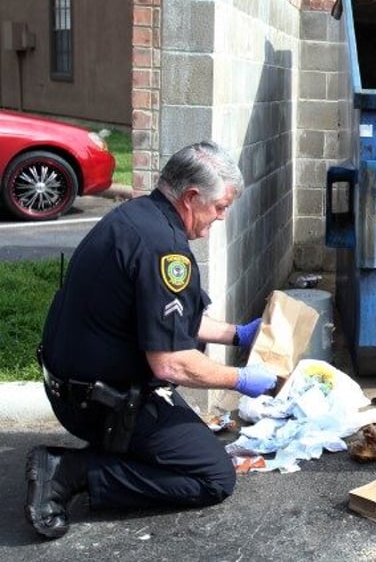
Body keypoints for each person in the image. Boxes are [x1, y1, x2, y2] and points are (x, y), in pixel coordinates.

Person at [25, 141, 278, 538]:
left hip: (80, 383)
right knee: (213, 477)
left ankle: (109, 454)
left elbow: (171, 318)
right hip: (97, 402)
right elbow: (171, 362)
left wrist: (236, 334)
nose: (222, 216)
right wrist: (241, 380)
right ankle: (71, 472)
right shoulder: (165, 249)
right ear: (192, 198)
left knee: (189, 438)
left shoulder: (138, 217)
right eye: (220, 207)